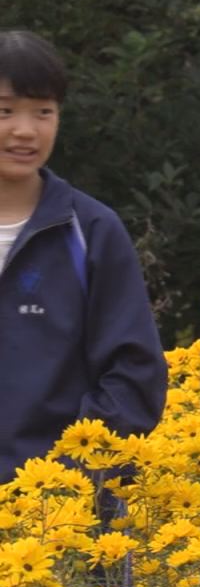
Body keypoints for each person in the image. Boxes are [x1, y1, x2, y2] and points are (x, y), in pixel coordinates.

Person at [0, 30, 168, 483]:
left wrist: (68, 478)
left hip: (64, 517)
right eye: (5, 111)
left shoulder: (91, 230)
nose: (25, 129)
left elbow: (135, 373)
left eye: (44, 112)